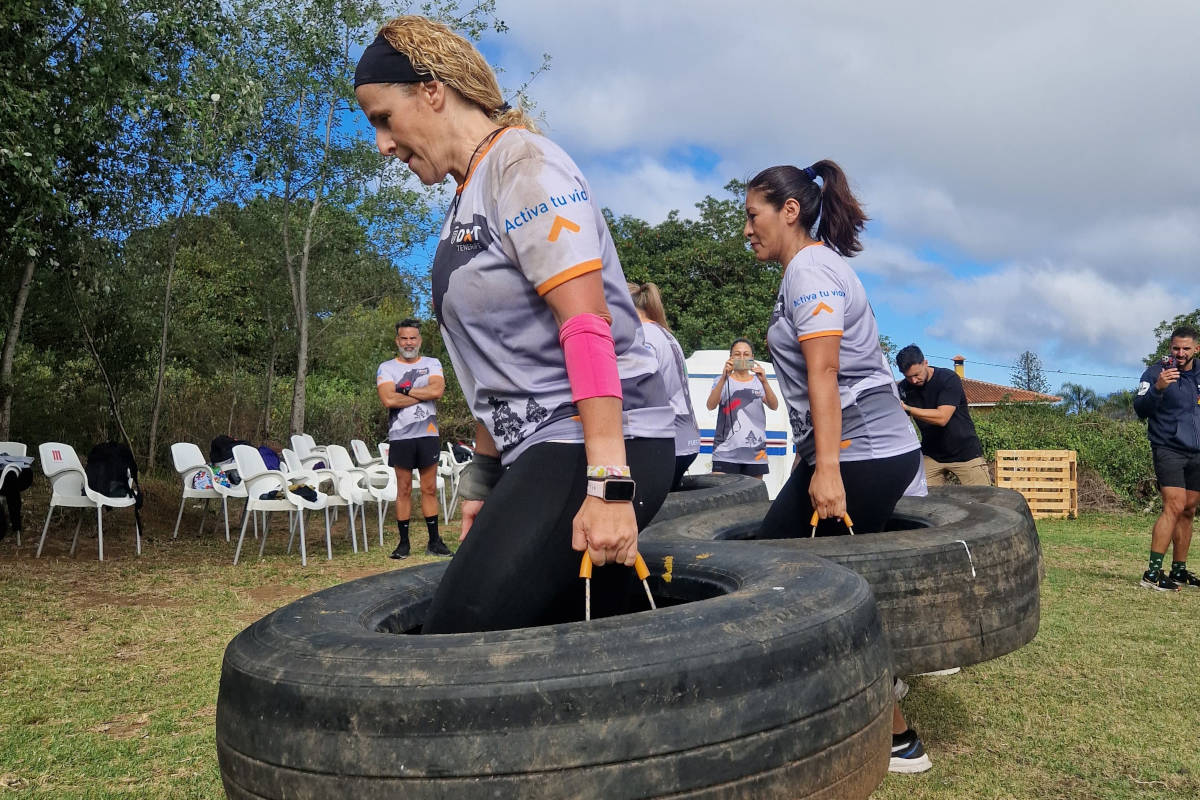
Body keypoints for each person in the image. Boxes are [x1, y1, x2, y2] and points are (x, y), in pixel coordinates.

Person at [354, 16, 674, 633]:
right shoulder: (465, 198)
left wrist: (609, 485)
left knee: (457, 632)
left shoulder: (523, 166)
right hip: (541, 446)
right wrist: (486, 480)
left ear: (432, 91)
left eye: (383, 118)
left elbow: (585, 323)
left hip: (600, 441)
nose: (383, 145)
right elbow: (492, 368)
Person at [742, 160, 930, 774]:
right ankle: (886, 724)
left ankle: (891, 734)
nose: (747, 229)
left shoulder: (811, 270)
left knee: (777, 578)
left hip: (861, 454)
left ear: (788, 211)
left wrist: (827, 470)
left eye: (753, 215)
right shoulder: (807, 270)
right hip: (865, 451)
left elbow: (824, 372)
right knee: (817, 582)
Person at [376, 318, 451, 558]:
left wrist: (405, 390)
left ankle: (434, 542)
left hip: (427, 434)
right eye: (404, 338)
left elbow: (437, 391)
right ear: (397, 340)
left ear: (420, 340)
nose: (409, 343)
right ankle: (404, 543)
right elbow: (388, 400)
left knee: (429, 488)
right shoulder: (386, 368)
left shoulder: (432, 363)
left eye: (413, 338)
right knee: (404, 489)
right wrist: (423, 395)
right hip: (400, 436)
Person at [1133, 325, 1200, 591]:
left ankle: (1179, 571)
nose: (1180, 353)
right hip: (1168, 448)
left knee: (1188, 509)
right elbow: (1140, 409)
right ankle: (1151, 574)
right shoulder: (1154, 373)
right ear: (1169, 347)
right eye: (1176, 348)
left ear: (1197, 348)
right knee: (1174, 505)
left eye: (1186, 348)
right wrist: (1158, 389)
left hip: (1196, 451)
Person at [628, 281, 701, 489]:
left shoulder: (643, 336)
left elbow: (643, 389)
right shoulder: (665, 333)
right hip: (687, 438)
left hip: (668, 442)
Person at [895, 344, 990, 486]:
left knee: (984, 502)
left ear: (925, 363)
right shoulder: (903, 388)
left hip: (966, 453)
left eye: (916, 375)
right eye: (908, 377)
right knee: (922, 503)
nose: (914, 381)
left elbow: (942, 418)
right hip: (932, 455)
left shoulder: (948, 379)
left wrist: (907, 409)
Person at [705, 338, 778, 479]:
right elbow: (711, 405)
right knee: (722, 494)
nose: (742, 357)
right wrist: (723, 377)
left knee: (753, 497)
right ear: (731, 358)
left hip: (755, 452)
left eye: (746, 354)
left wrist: (765, 381)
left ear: (752, 358)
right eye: (737, 354)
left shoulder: (759, 382)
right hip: (724, 451)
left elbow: (774, 405)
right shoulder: (720, 380)